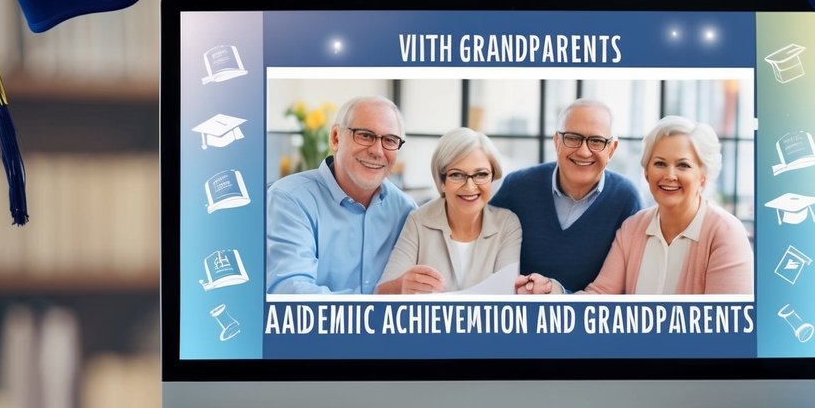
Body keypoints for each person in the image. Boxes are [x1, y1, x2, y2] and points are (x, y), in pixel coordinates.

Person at [580, 115, 753, 295]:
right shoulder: (632, 228)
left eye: (683, 165)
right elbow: (600, 297)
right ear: (647, 173)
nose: (670, 175)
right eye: (660, 163)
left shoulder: (726, 233)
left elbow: (725, 319)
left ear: (703, 176)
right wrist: (554, 293)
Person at [266, 95, 416, 294]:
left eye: (390, 140)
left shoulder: (406, 210)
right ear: (335, 138)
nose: (378, 151)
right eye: (365, 135)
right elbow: (291, 295)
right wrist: (380, 297)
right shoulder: (290, 199)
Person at [490, 99, 642, 294]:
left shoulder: (626, 200)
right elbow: (479, 245)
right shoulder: (517, 186)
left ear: (611, 149)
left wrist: (557, 294)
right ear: (556, 141)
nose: (584, 151)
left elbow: (626, 291)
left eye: (596, 141)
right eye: (573, 138)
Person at [377, 128, 521, 294]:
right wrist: (401, 286)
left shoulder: (507, 224)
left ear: (493, 177)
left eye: (481, 174)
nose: (470, 187)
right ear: (442, 181)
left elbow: (506, 296)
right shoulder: (418, 221)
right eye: (457, 175)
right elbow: (381, 292)